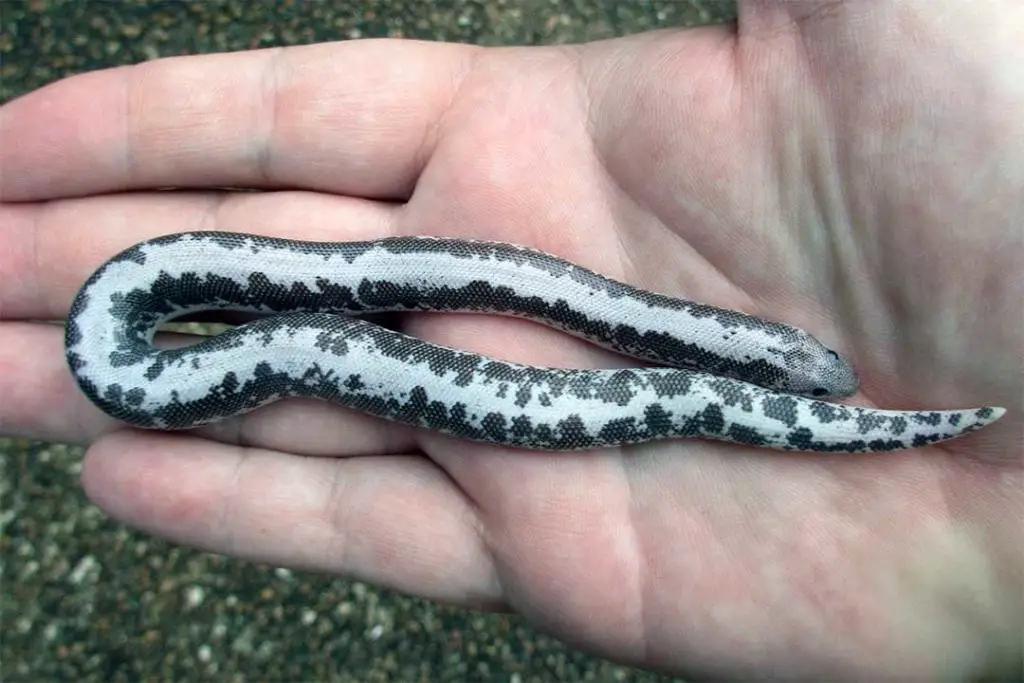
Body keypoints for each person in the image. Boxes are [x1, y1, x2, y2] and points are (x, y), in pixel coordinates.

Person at [0, 1, 1020, 679]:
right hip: (127, 324)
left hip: (147, 318)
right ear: (757, 346)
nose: (819, 374)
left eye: (798, 368)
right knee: (337, 325)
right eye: (799, 364)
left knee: (360, 328)